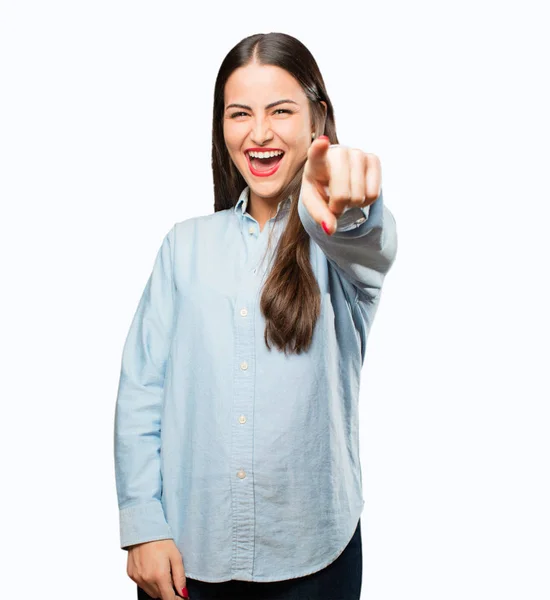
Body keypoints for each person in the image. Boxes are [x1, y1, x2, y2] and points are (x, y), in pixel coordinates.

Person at [114, 31, 398, 600]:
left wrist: (353, 205)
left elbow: (370, 241)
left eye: (281, 111)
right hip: (188, 557)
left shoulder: (337, 245)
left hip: (317, 559)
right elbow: (142, 392)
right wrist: (142, 524)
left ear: (317, 120)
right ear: (222, 127)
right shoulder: (183, 247)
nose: (259, 132)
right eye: (239, 113)